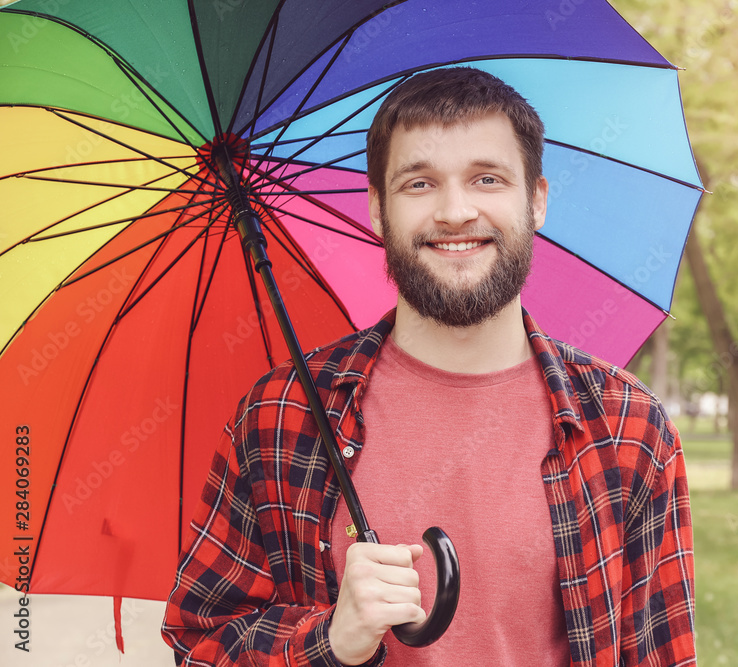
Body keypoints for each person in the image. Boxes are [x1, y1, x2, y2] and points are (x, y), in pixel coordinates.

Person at [162, 67, 696, 666]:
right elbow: (201, 645)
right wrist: (329, 641)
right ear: (376, 209)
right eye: (419, 184)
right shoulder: (282, 415)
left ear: (537, 200)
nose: (455, 211)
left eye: (486, 179)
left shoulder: (629, 427)